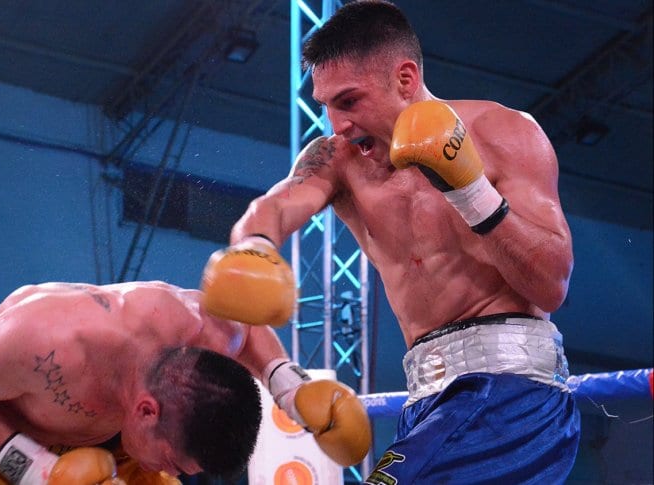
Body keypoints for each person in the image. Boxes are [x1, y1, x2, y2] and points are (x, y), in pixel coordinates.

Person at [200, 1, 580, 483]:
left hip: (511, 399)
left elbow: (551, 285)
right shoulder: (340, 160)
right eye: (326, 106)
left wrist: (471, 190)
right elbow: (275, 207)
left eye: (349, 101)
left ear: (405, 79)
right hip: (428, 403)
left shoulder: (502, 133)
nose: (337, 124)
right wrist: (253, 245)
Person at [0, 281, 371, 485]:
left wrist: (288, 384)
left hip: (105, 444)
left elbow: (245, 329)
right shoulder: (47, 344)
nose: (174, 473)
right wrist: (37, 471)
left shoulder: (196, 327)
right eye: (173, 462)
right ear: (147, 410)